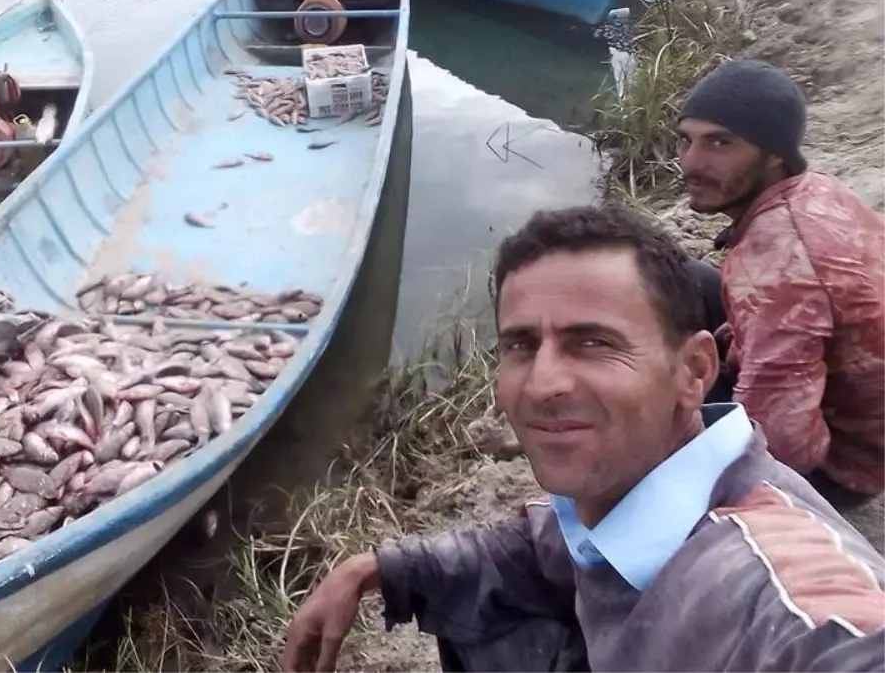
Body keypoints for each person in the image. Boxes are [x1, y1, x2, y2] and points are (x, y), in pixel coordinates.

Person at [280, 205, 885, 673]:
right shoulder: (632, 494)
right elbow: (546, 543)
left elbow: (832, 629)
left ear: (695, 370)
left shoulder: (771, 588)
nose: (542, 384)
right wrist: (376, 570)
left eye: (593, 342)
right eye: (520, 345)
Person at [677, 58, 885, 508]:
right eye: (686, 141)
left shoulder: (778, 266)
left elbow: (784, 446)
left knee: (658, 382)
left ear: (773, 153)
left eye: (720, 143)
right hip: (855, 404)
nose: (691, 163)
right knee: (681, 281)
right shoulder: (814, 189)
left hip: (841, 469)